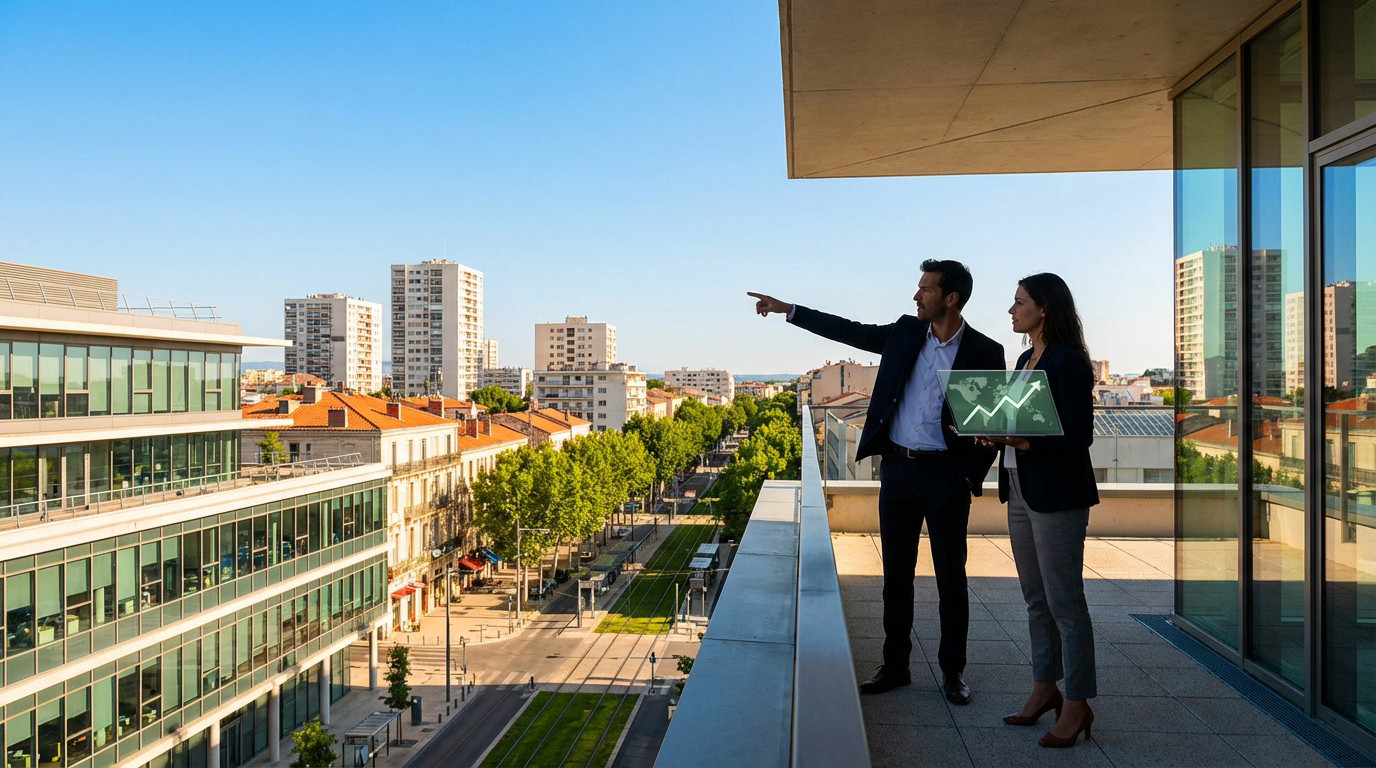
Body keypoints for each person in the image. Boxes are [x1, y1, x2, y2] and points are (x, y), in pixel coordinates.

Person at [748, 259, 1005, 704]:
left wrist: (968, 476)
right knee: (896, 575)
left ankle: (952, 671)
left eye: (925, 289)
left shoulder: (984, 351)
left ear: (951, 298)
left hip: (947, 476)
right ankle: (896, 665)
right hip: (899, 471)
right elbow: (849, 330)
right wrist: (787, 309)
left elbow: (991, 428)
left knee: (951, 577)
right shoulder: (905, 332)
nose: (915, 295)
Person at [980, 272, 1099, 747]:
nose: (1011, 310)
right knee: (1035, 601)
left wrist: (1023, 439)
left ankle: (1077, 705)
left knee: (1066, 604)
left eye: (1019, 302)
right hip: (1019, 485)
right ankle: (1044, 689)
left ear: (1044, 308)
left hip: (1057, 494)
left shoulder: (1070, 362)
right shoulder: (1025, 359)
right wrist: (992, 430)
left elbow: (1079, 435)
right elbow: (1019, 420)